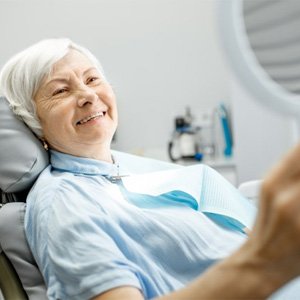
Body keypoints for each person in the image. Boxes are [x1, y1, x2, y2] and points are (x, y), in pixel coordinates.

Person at [1, 38, 300, 300]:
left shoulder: (123, 169)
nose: (87, 95)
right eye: (60, 91)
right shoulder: (63, 204)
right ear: (34, 122)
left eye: (92, 79)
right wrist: (264, 263)